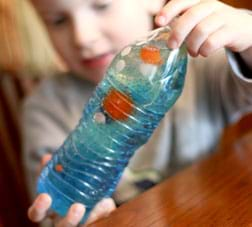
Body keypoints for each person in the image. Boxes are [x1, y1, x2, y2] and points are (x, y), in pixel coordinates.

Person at [22, 0, 252, 226]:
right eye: (58, 21)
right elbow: (50, 207)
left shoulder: (201, 69)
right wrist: (67, 218)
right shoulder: (44, 108)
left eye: (102, 6)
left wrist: (247, 34)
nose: (83, 37)